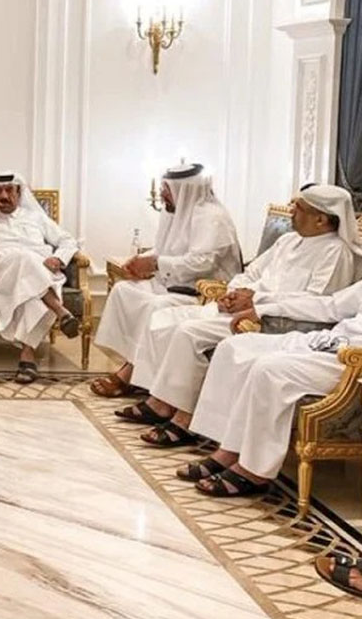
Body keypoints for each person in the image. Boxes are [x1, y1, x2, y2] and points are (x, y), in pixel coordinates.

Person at [116, 184, 357, 448]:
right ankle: (161, 400)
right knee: (165, 318)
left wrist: (255, 300)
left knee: (188, 332)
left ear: (321, 219)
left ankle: (181, 416)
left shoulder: (337, 253)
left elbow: (313, 302)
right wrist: (234, 292)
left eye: (298, 208)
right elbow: (251, 272)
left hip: (274, 321)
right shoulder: (288, 240)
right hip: (244, 307)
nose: (291, 211)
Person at [179, 245, 362, 497]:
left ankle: (254, 472)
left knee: (270, 369)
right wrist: (264, 309)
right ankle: (227, 450)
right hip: (328, 342)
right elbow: (330, 306)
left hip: (350, 360)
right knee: (234, 347)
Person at [90, 163, 242, 398]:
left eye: (167, 189)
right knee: (123, 291)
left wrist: (155, 264)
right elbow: (163, 249)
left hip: (203, 291)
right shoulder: (173, 211)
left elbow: (202, 263)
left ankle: (131, 373)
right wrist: (140, 261)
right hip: (173, 282)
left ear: (185, 190)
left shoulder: (212, 217)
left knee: (156, 307)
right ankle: (137, 366)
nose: (162, 194)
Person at [0, 171, 81, 383]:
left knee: (29, 292)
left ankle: (27, 358)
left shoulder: (35, 217)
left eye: (9, 190)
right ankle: (60, 310)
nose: (3, 195)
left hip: (36, 271)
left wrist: (59, 258)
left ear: (18, 192)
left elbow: (68, 240)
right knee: (22, 257)